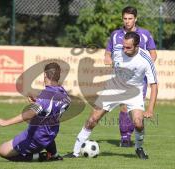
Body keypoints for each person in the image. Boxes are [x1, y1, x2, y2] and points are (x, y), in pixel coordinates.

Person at [65, 32, 158, 160]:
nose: (124, 49)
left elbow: (154, 85)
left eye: (128, 47)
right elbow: (110, 57)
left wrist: (150, 109)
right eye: (124, 46)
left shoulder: (146, 59)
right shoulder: (118, 50)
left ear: (137, 46)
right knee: (92, 119)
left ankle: (139, 148)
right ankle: (75, 152)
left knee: (138, 123)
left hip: (133, 92)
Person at [0, 62, 71, 162]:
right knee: (48, 126)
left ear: (45, 75)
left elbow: (30, 114)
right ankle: (54, 155)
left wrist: (6, 122)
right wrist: (38, 102)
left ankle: (40, 157)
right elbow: (57, 105)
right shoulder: (63, 93)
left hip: (35, 138)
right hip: (50, 135)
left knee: (2, 150)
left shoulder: (46, 96)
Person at [104, 6, 157, 147]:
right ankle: (125, 137)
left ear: (136, 19)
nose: (127, 21)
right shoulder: (115, 35)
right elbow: (107, 54)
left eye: (130, 18)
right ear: (122, 19)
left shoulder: (145, 34)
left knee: (133, 112)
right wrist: (110, 61)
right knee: (123, 107)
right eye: (125, 18)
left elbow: (153, 54)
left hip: (139, 79)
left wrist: (146, 68)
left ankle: (135, 135)